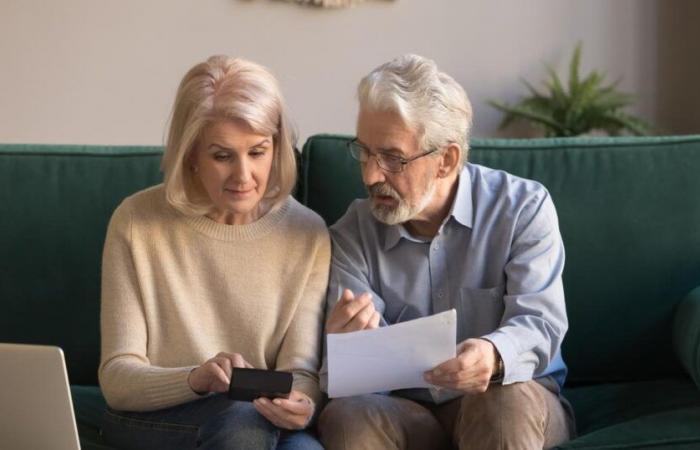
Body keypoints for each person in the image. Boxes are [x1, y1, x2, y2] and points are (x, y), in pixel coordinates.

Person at [317, 54, 575, 450]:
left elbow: (540, 324)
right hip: (408, 413)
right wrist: (342, 349)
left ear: (447, 160)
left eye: (392, 157)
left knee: (502, 404)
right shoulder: (351, 233)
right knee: (349, 417)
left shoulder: (523, 208)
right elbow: (344, 380)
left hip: (513, 397)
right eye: (364, 152)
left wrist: (494, 355)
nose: (370, 174)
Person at [99, 55, 330, 450]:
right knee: (242, 423)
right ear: (190, 154)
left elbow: (301, 371)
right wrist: (197, 378)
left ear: (276, 146)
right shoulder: (136, 222)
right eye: (222, 156)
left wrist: (303, 405)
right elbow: (118, 378)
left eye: (257, 152)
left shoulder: (308, 233)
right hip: (156, 416)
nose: (243, 176)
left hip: (259, 420)